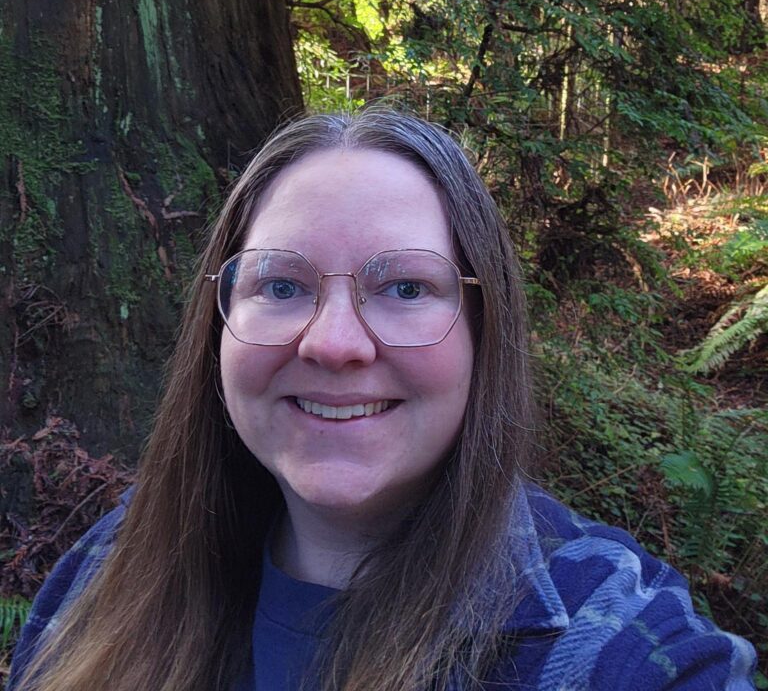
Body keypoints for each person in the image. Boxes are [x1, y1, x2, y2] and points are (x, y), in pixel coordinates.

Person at [9, 108, 757, 691]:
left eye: (404, 287)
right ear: (219, 321)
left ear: (484, 329)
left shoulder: (611, 637)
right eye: (281, 284)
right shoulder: (108, 570)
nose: (334, 344)